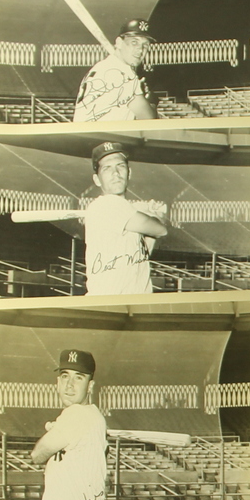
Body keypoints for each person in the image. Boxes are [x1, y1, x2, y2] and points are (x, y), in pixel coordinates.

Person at [31, 348, 113, 500]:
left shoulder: (76, 415)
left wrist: (54, 431)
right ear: (57, 382)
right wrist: (57, 430)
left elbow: (37, 455)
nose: (69, 385)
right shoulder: (91, 416)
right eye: (65, 376)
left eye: (79, 378)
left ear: (90, 386)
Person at [83, 141, 168, 297]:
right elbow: (160, 229)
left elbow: (141, 254)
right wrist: (156, 214)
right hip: (109, 303)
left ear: (129, 173)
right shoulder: (106, 204)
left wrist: (153, 217)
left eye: (120, 166)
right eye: (107, 168)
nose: (115, 174)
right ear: (96, 179)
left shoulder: (128, 212)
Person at [73, 18, 157, 123]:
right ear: (118, 43)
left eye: (145, 45)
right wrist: (152, 102)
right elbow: (150, 120)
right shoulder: (123, 72)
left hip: (88, 135)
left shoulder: (101, 66)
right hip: (106, 138)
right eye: (134, 42)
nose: (140, 50)